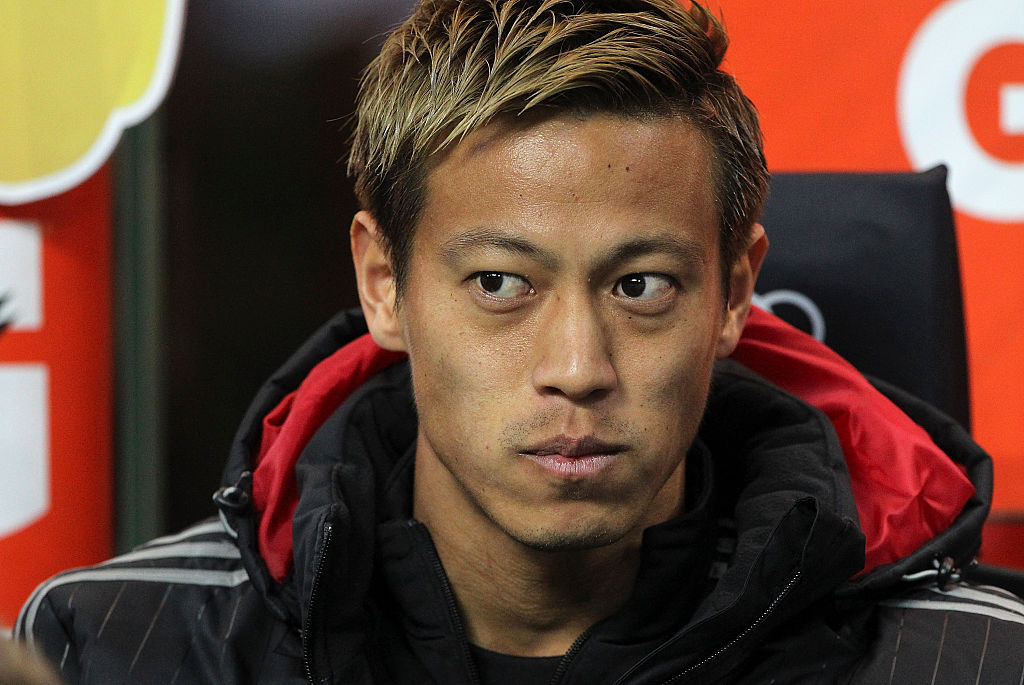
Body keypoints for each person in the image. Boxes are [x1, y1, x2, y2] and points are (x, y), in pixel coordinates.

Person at [15, 0, 1024, 682]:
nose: (577, 368)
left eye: (640, 286)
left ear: (733, 294)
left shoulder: (974, 664)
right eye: (501, 283)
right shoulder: (109, 648)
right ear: (383, 286)